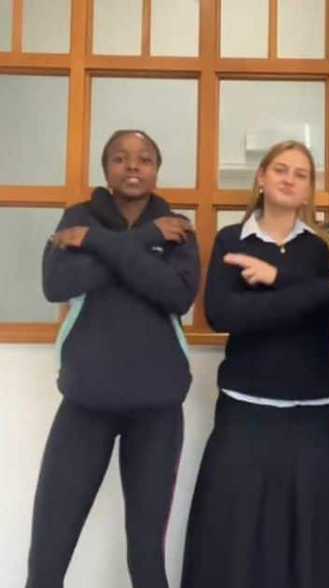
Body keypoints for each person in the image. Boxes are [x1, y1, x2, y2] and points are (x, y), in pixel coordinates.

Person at [180, 140, 329, 588]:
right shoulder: (231, 238)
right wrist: (318, 293)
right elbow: (224, 315)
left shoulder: (328, 242)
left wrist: (276, 281)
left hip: (314, 417)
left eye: (300, 174)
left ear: (308, 190)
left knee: (312, 541)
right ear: (260, 178)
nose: (289, 178)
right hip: (246, 414)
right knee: (234, 540)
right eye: (280, 169)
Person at [29, 129, 200, 588]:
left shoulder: (178, 228)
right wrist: (145, 241)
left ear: (156, 169)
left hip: (157, 410)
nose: (132, 166)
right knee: (48, 553)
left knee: (146, 558)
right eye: (121, 158)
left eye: (144, 158)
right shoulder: (78, 216)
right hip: (86, 403)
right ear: (106, 169)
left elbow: (176, 294)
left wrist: (99, 244)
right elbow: (58, 285)